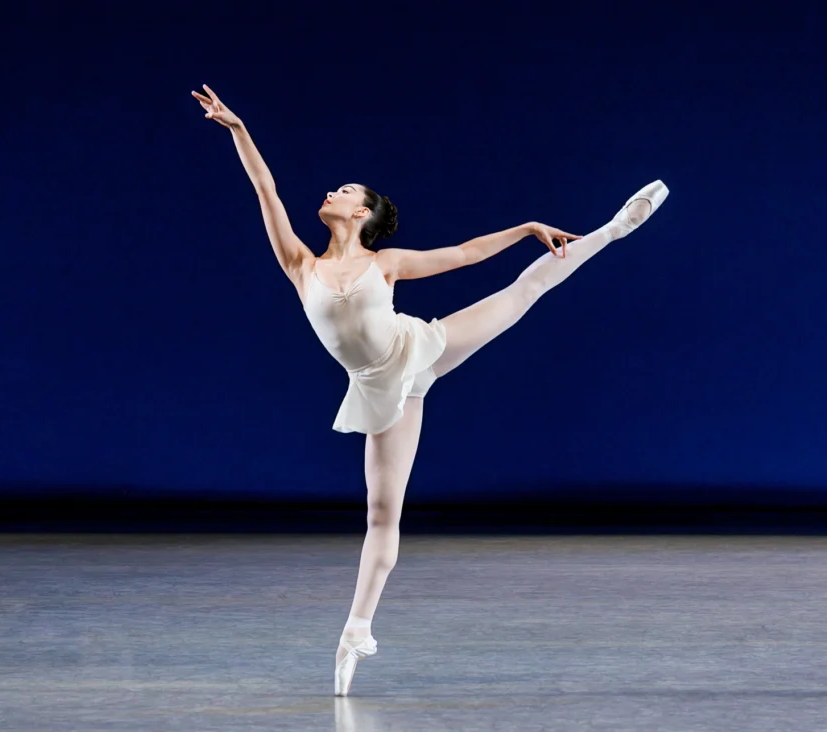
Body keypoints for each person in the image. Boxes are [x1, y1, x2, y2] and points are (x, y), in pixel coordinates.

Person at [191, 84, 669, 696]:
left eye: (345, 191)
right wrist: (237, 129)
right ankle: (355, 631)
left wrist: (523, 227)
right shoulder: (299, 264)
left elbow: (465, 254)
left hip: (422, 348)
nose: (332, 192)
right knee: (382, 514)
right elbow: (266, 188)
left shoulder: (383, 263)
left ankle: (610, 230)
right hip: (382, 391)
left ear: (361, 213)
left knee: (520, 294)